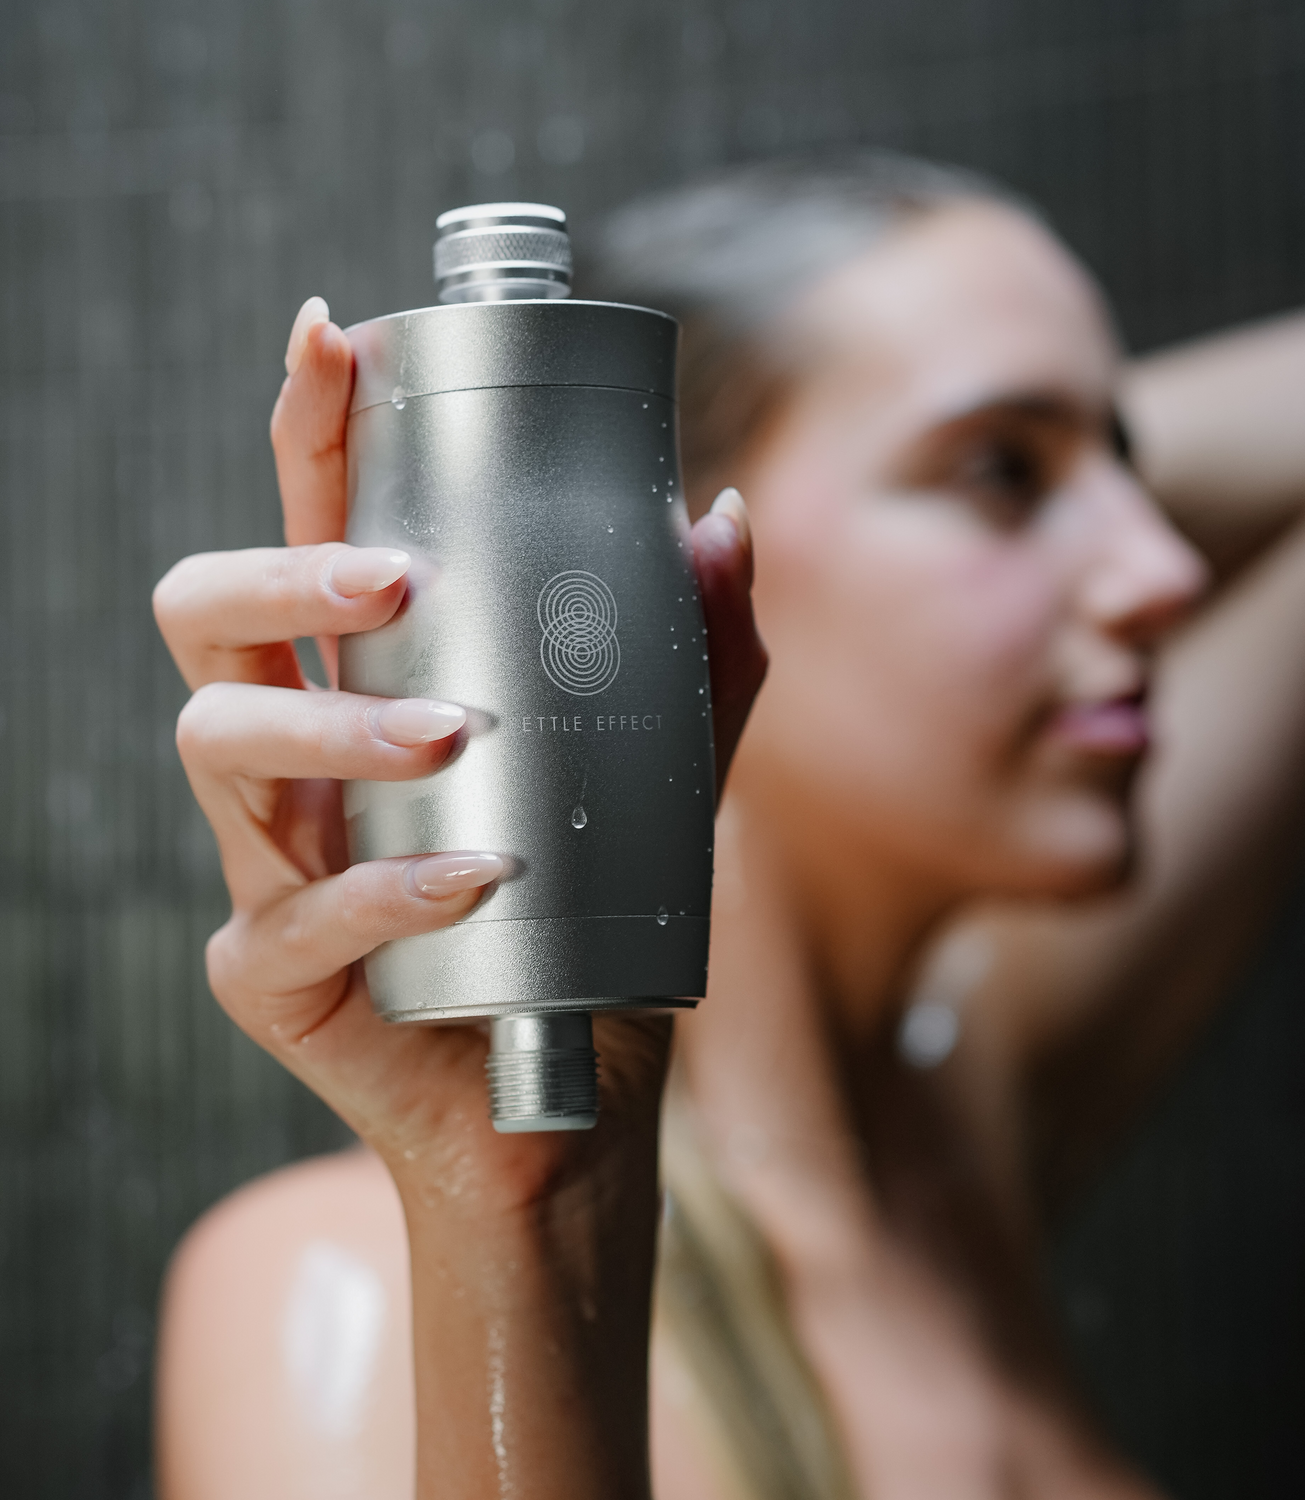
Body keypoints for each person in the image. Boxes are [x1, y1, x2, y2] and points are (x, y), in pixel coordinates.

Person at [148, 154, 1305, 1499]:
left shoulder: (955, 1124)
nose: (1162, 571)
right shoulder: (340, 1296)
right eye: (1004, 470)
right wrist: (525, 1226)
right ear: (677, 542)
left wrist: (550, 493)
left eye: (1126, 467)